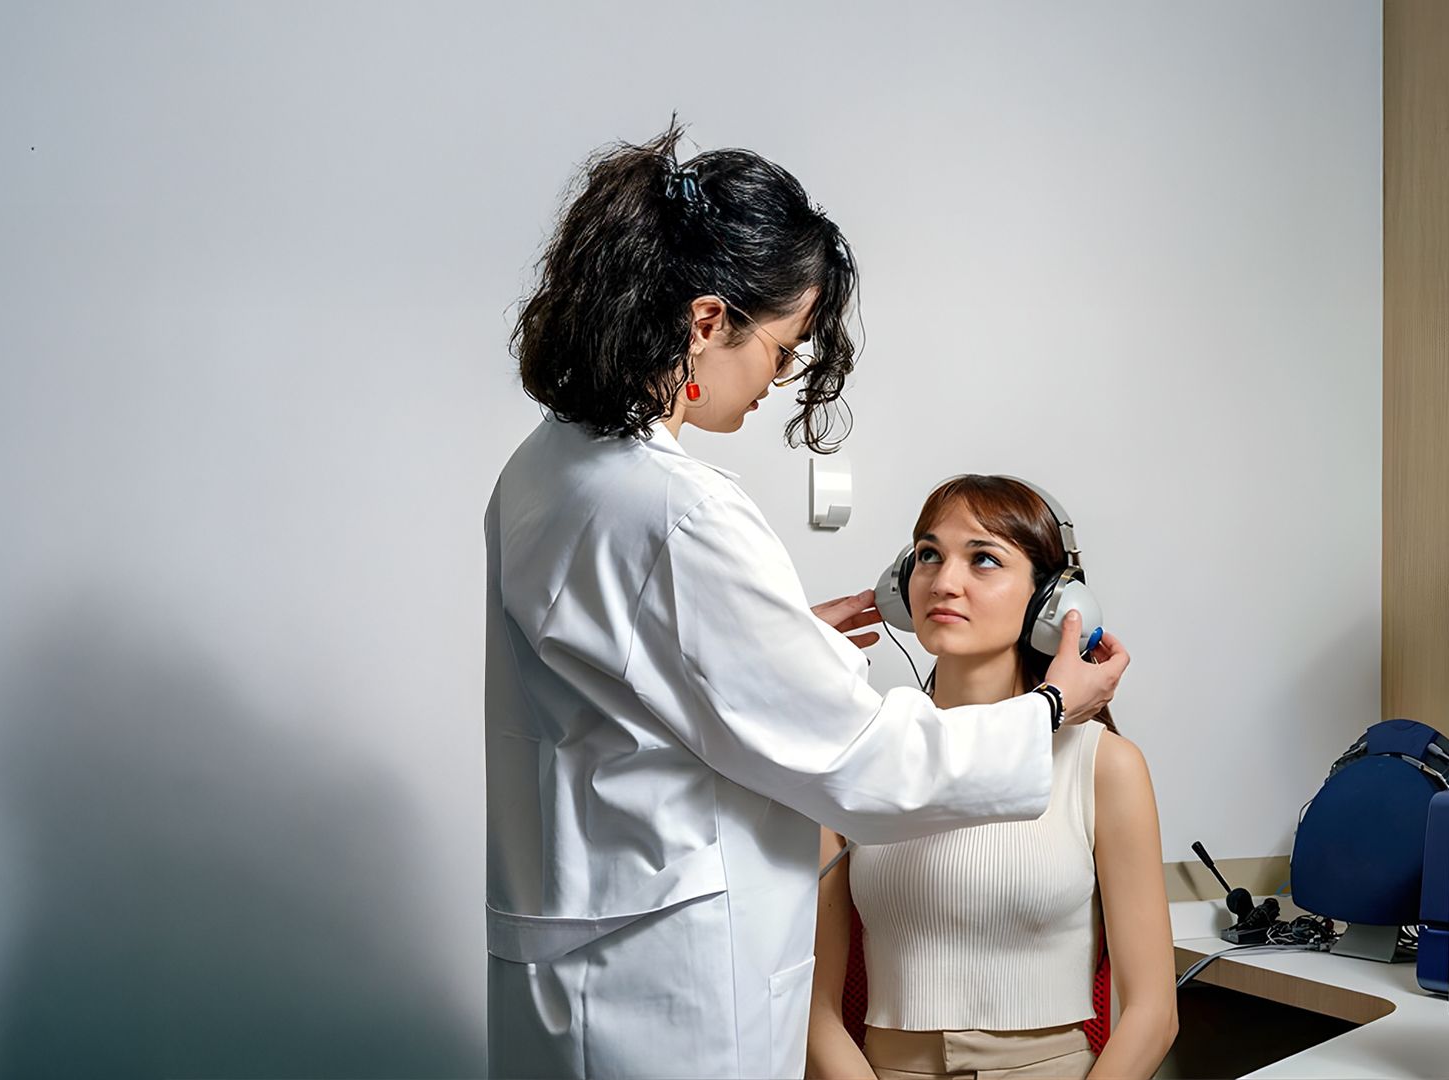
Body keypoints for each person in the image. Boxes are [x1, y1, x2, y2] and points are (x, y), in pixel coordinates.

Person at [485, 123, 1131, 1078]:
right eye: (783, 345)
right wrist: (1049, 709)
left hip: (580, 966)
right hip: (670, 999)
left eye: (986, 561)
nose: (782, 376)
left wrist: (779, 644)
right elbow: (866, 766)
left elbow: (641, 679)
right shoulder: (681, 511)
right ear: (708, 323)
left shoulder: (545, 469)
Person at [806, 476, 1176, 1080]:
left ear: (1050, 604)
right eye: (928, 555)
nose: (944, 581)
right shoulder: (860, 755)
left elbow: (1153, 1012)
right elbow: (815, 1009)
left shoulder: (1104, 765)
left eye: (983, 559)